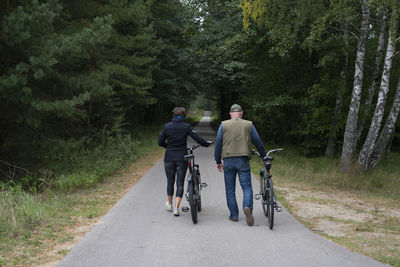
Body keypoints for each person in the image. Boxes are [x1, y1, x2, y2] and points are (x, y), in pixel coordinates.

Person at [214, 104, 266, 226]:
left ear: (231, 114)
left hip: (228, 160)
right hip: (243, 159)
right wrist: (264, 156)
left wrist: (217, 161)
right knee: (246, 187)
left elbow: (218, 143)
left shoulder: (224, 124)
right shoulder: (248, 124)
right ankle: (247, 207)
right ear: (241, 113)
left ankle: (234, 215)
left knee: (230, 189)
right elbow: (257, 141)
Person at [158, 107, 212, 216]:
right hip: (182, 157)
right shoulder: (186, 126)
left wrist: (168, 147)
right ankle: (176, 208)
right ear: (184, 115)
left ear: (173, 115)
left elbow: (160, 142)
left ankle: (169, 203)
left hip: (169, 157)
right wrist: (206, 144)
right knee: (180, 183)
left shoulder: (167, 126)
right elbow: (197, 138)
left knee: (170, 181)